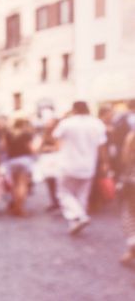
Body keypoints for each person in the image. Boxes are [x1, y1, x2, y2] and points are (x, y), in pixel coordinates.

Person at [53, 101, 108, 235]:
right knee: (82, 195)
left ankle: (78, 217)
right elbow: (102, 146)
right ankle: (76, 220)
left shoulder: (67, 123)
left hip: (68, 164)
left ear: (74, 109)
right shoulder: (97, 123)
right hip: (88, 164)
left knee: (64, 193)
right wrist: (105, 162)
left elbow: (56, 139)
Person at [5, 118, 35, 217]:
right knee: (22, 184)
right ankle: (20, 208)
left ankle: (15, 206)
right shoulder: (26, 134)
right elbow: (31, 148)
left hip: (12, 160)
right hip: (24, 160)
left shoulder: (9, 134)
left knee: (15, 185)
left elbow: (3, 147)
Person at [36, 118, 62, 211]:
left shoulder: (59, 134)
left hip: (56, 159)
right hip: (47, 160)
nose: (48, 125)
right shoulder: (45, 135)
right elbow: (39, 148)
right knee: (50, 181)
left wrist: (49, 148)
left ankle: (59, 201)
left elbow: (59, 147)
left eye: (50, 123)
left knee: (58, 182)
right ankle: (54, 201)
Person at [119, 129, 135, 266]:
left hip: (133, 180)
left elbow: (126, 158)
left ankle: (132, 248)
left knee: (130, 213)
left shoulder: (132, 135)